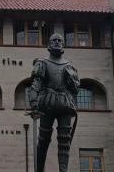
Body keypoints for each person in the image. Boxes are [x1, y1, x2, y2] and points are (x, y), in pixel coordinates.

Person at [26, 33, 80, 172]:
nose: (57, 42)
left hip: (65, 104)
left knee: (64, 141)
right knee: (43, 140)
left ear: (63, 44)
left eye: (60, 40)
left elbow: (74, 89)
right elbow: (36, 83)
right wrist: (33, 101)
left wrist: (74, 102)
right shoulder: (43, 63)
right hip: (47, 103)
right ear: (49, 44)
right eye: (54, 40)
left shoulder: (70, 65)